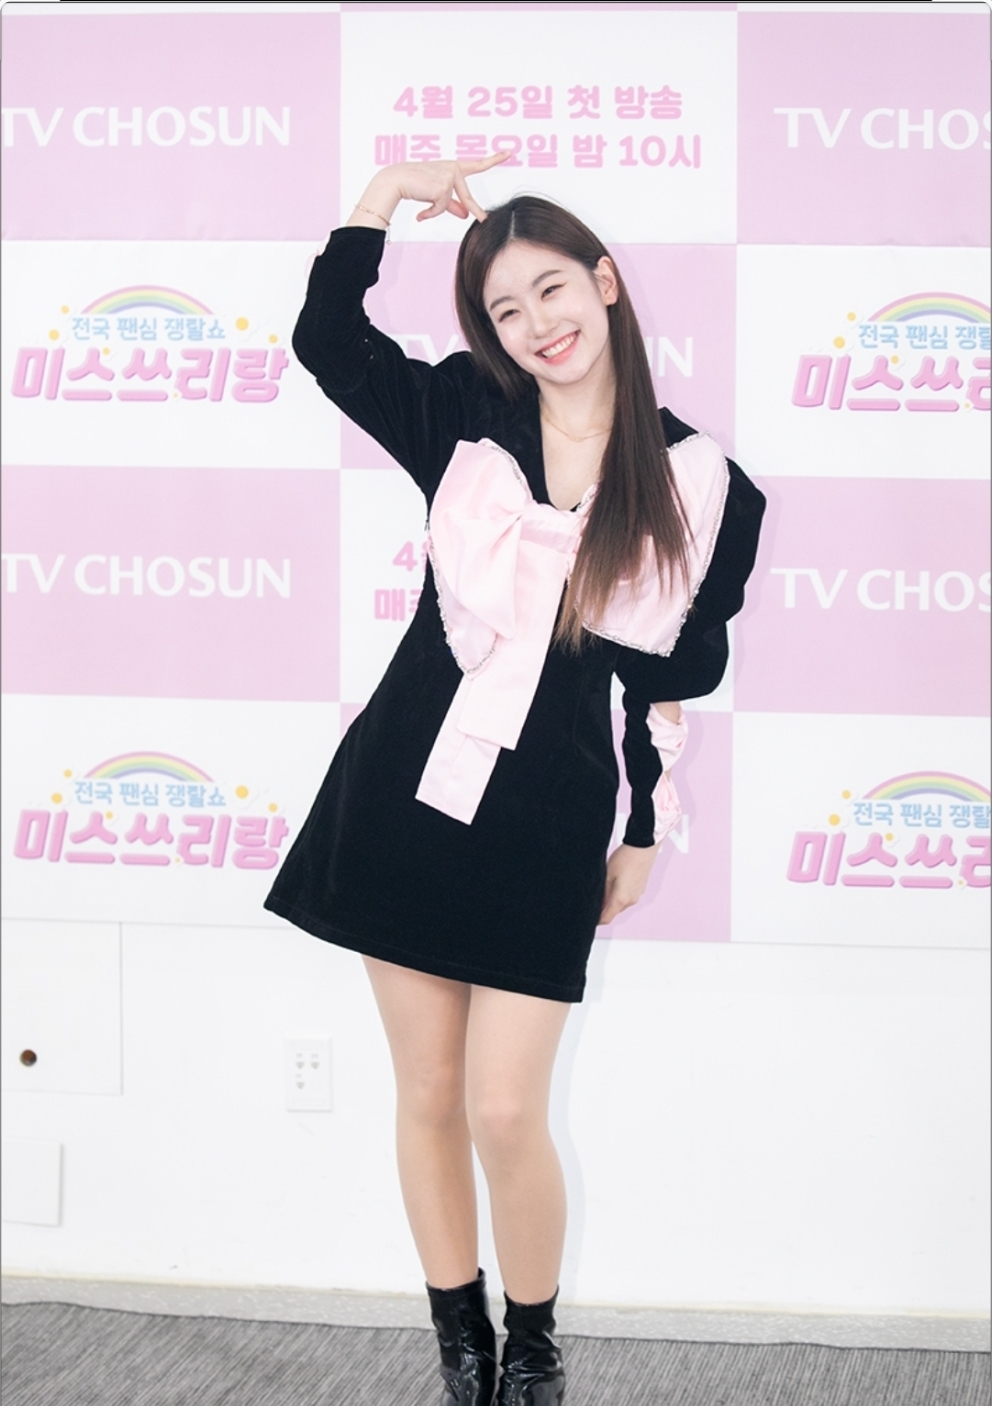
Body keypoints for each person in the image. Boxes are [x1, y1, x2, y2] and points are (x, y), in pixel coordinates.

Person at [265, 152, 765, 1406]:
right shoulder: (460, 415)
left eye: (551, 290)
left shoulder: (703, 484)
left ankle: (532, 1349)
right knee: (429, 1090)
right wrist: (380, 196)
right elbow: (327, 339)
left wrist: (641, 828)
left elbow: (667, 678)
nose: (537, 324)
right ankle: (461, 1348)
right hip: (404, 795)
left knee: (503, 1106)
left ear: (604, 283)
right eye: (504, 309)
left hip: (545, 818)